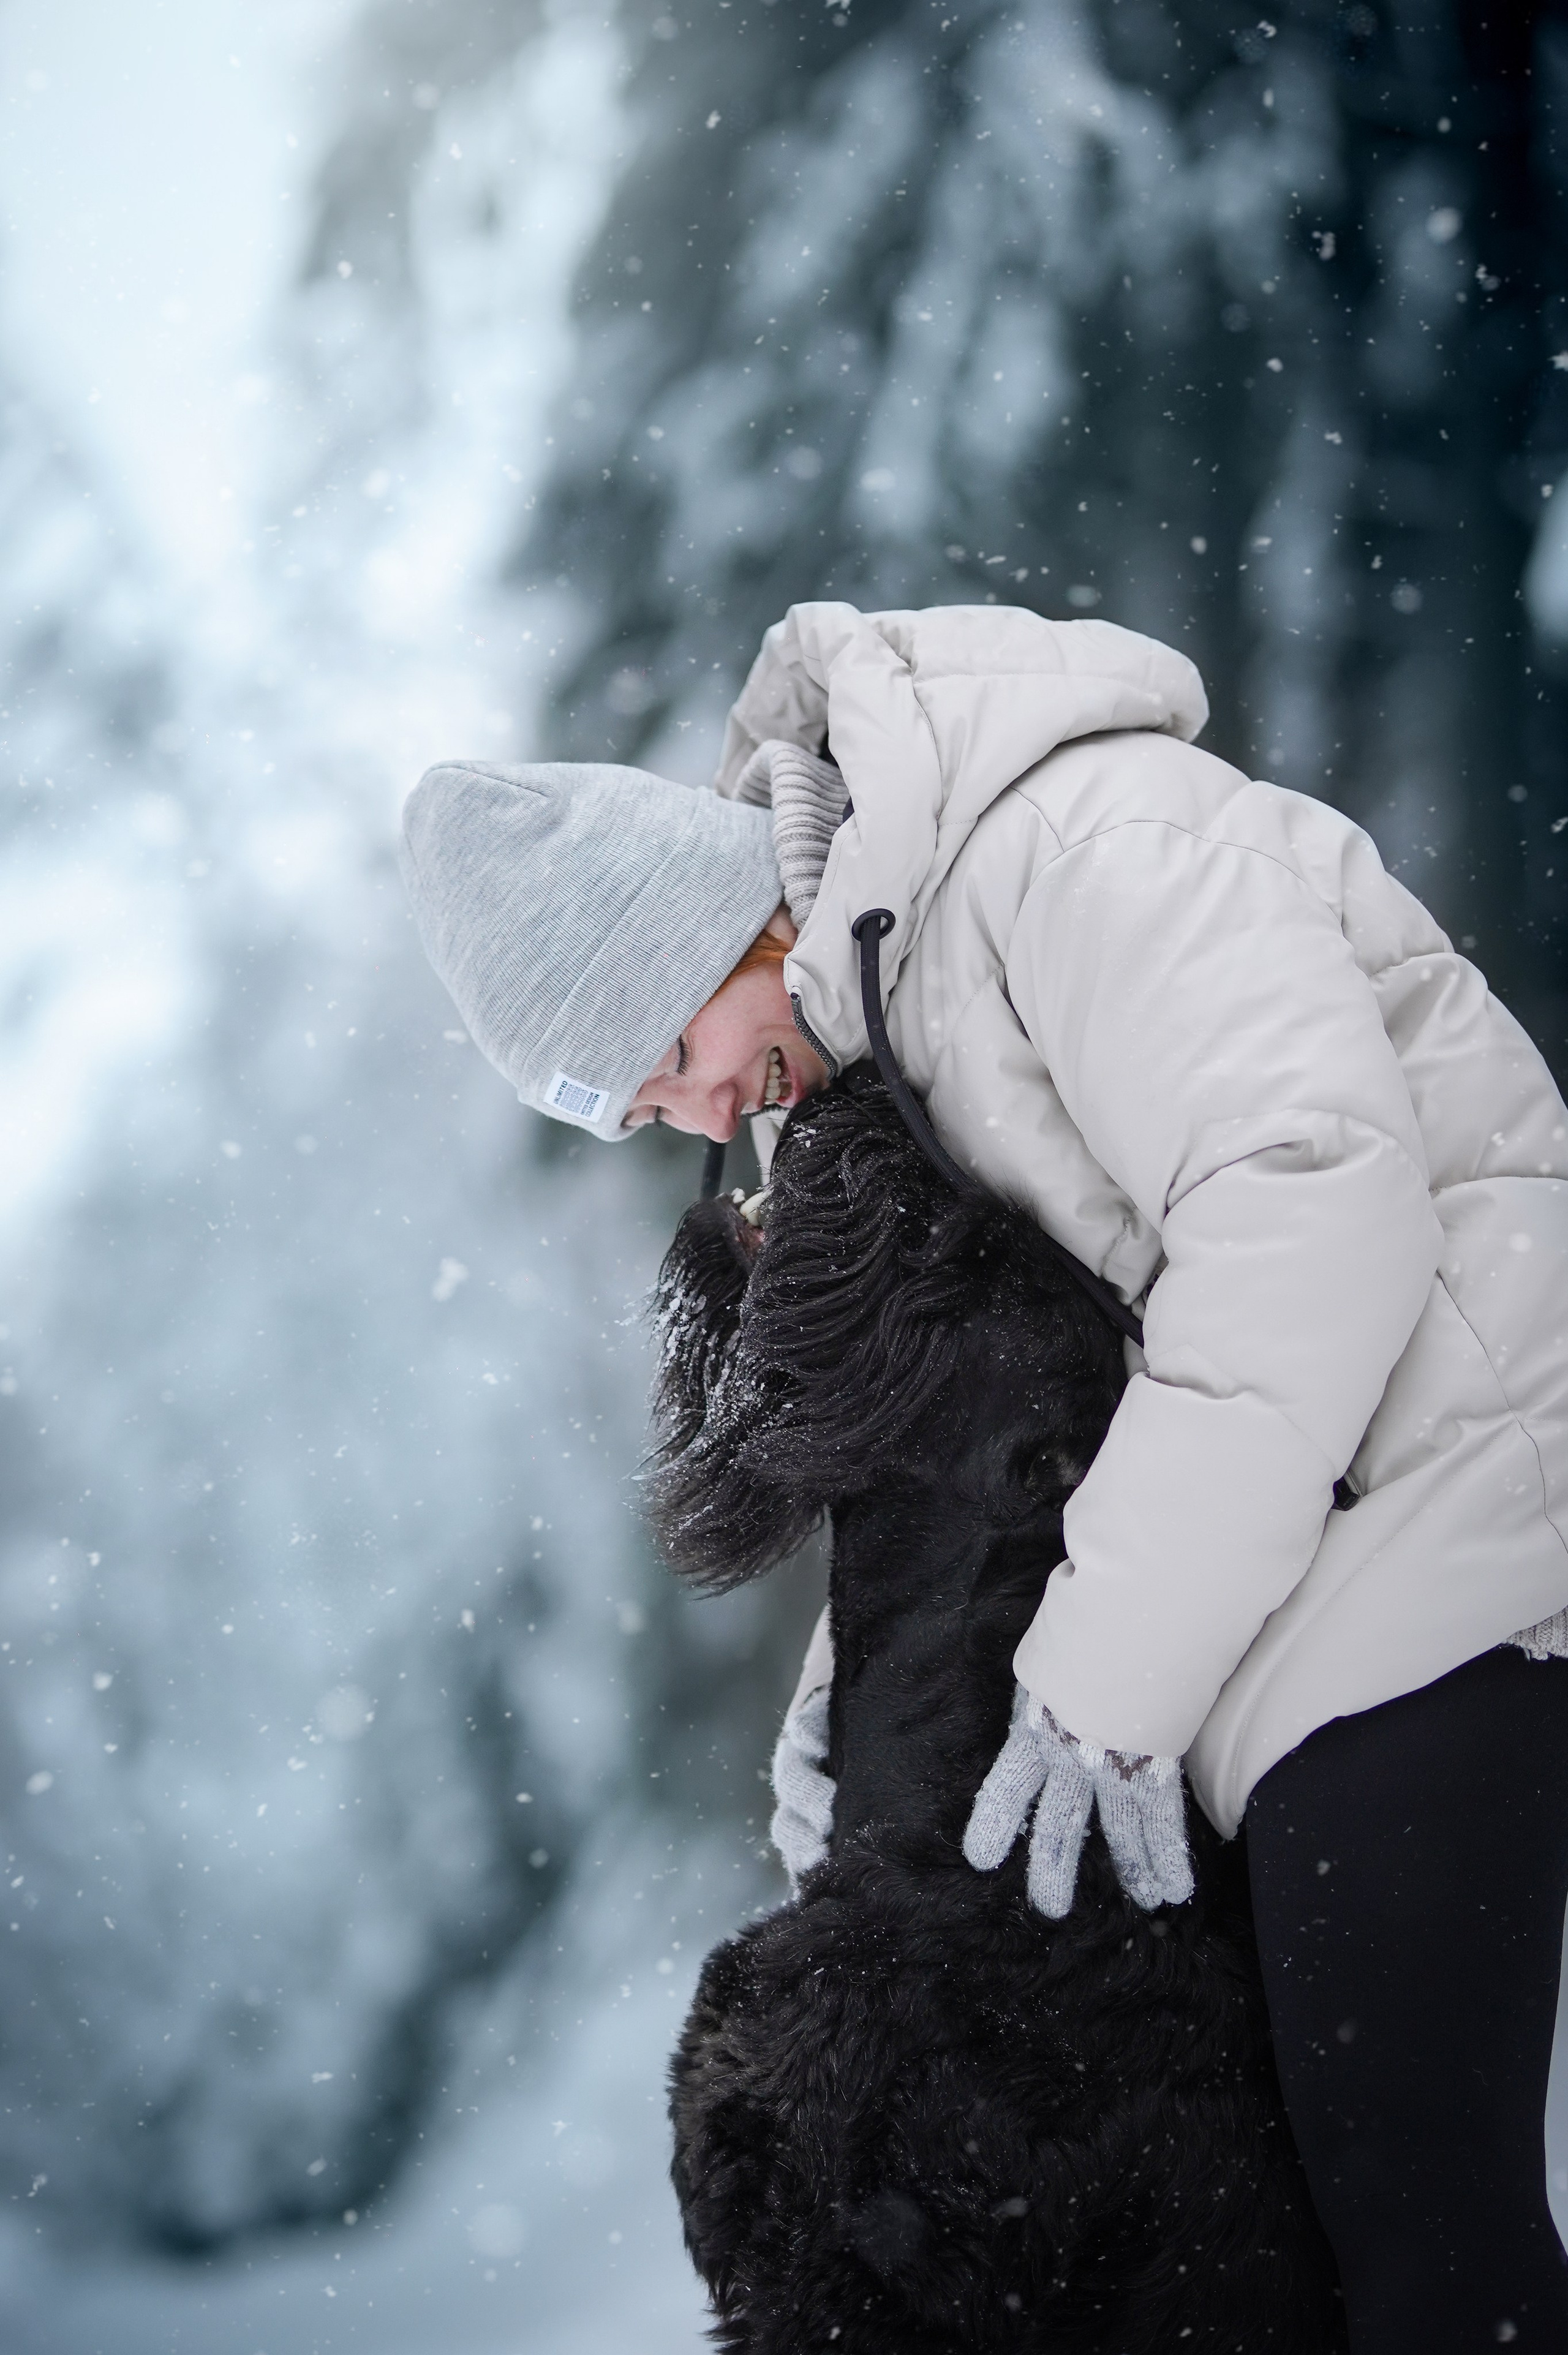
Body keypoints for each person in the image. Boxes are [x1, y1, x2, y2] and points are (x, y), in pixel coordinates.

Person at [399, 601, 1568, 2348]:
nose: (701, 1118)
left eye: (664, 1067)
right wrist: (846, 1723)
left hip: (1447, 1499)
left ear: (698, 932)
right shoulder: (875, 1010)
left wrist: (1105, 1681)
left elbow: (1309, 1213)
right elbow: (1006, 1409)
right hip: (1297, 1553)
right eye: (642, 1117)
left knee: (1418, 2227)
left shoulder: (1070, 856)